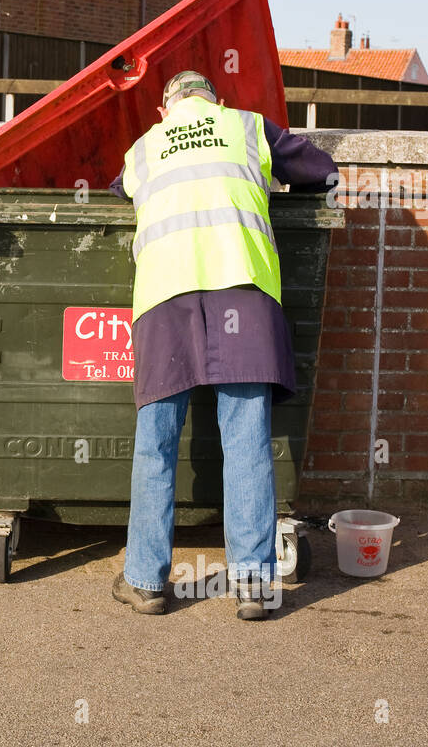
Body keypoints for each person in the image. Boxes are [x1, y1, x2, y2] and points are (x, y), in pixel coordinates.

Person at [108, 70, 337, 620]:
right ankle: (255, 586)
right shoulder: (247, 127)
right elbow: (322, 171)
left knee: (155, 442)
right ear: (218, 102)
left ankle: (145, 581)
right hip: (242, 294)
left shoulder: (144, 149)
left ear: (166, 111)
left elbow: (121, 192)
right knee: (246, 438)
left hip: (166, 299)